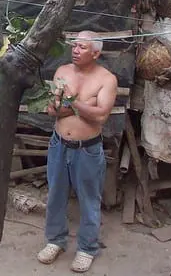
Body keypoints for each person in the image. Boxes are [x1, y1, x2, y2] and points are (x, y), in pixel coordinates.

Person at [37, 31, 118, 273]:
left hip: (87, 150)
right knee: (55, 196)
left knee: (89, 200)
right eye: (74, 46)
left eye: (82, 47)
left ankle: (87, 248)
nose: (75, 50)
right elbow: (52, 110)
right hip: (59, 144)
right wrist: (82, 105)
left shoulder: (107, 79)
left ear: (96, 53)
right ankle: (55, 241)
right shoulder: (62, 72)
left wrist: (71, 102)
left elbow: (101, 115)